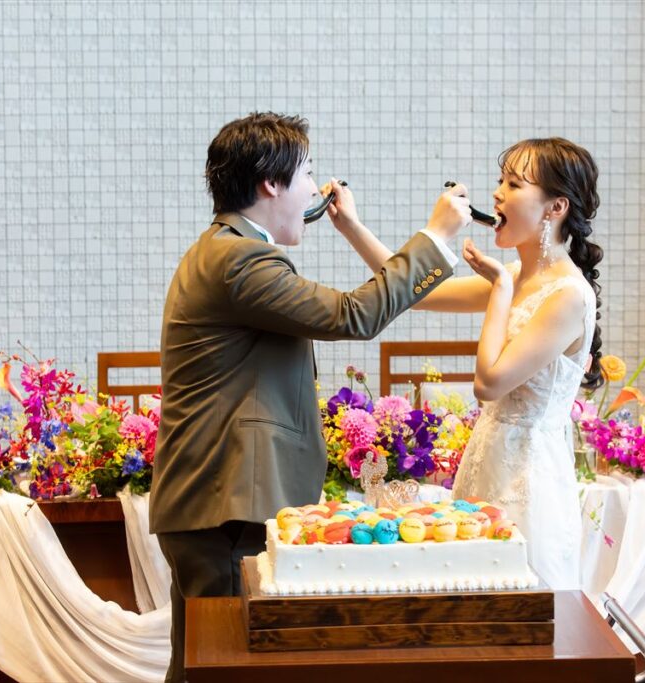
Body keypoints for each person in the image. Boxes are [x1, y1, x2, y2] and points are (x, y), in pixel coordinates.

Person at [149, 112, 470, 683]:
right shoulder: (240, 259)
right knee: (224, 669)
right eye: (306, 175)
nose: (314, 190)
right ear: (271, 183)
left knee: (202, 667)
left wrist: (355, 228)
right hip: (226, 504)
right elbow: (354, 315)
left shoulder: (223, 249)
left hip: (217, 502)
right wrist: (436, 238)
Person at [334, 137, 604, 589]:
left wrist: (499, 289)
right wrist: (352, 227)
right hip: (485, 461)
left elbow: (489, 383)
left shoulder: (568, 295)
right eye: (501, 181)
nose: (497, 193)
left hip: (528, 484)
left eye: (514, 184)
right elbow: (418, 294)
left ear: (556, 207)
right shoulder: (516, 275)